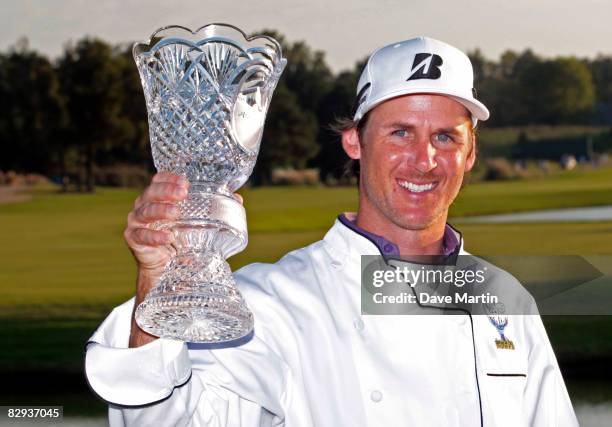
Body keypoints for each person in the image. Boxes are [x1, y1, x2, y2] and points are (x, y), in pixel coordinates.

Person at [85, 37, 578, 426]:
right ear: (354, 142)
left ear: (469, 155)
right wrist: (160, 286)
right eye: (400, 132)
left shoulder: (505, 300)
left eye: (445, 137)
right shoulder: (269, 302)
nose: (424, 160)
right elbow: (173, 423)